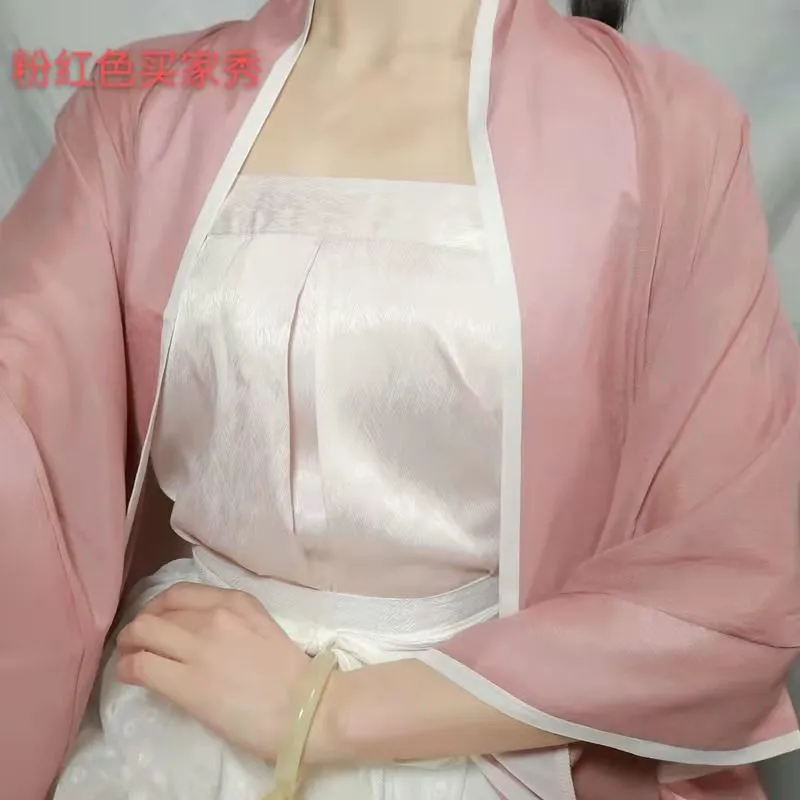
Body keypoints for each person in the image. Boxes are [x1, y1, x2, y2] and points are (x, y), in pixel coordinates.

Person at [2, 0, 800, 797]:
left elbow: (735, 563)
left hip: (500, 740)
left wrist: (325, 710)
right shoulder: (146, 105)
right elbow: (21, 430)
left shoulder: (661, 129)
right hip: (173, 716)